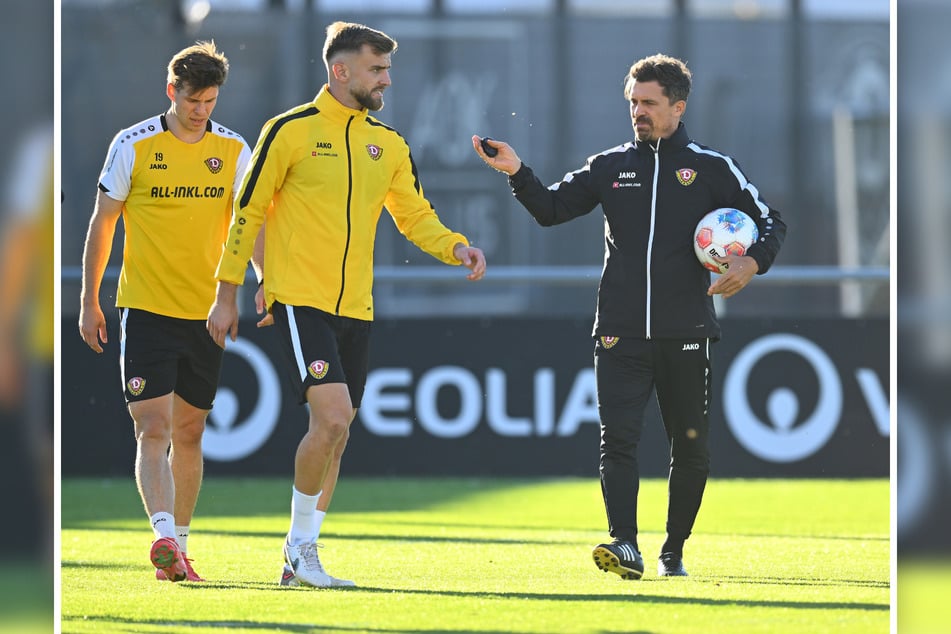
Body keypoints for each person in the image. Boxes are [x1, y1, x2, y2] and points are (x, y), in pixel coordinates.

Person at [473, 53, 785, 579]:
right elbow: (551, 209)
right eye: (633, 102)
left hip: (686, 332)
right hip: (619, 333)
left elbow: (770, 221)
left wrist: (752, 261)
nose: (638, 111)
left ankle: (673, 552)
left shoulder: (712, 167)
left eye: (649, 103)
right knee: (616, 441)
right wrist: (517, 173)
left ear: (678, 107)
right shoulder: (609, 166)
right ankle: (625, 545)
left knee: (691, 448)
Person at [207, 21, 486, 589]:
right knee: (332, 417)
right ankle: (298, 547)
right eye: (376, 69)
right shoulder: (288, 130)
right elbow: (247, 211)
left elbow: (414, 216)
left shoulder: (389, 143)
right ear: (340, 70)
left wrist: (455, 246)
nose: (387, 79)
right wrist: (227, 293)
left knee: (338, 432)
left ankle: (300, 557)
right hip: (298, 298)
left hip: (356, 306)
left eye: (387, 69)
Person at [79, 41, 252, 583]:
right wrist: (89, 300)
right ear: (171, 90)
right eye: (193, 100)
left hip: (206, 313)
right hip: (146, 308)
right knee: (152, 428)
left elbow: (250, 224)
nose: (201, 111)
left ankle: (180, 546)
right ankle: (162, 537)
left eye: (210, 101)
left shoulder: (233, 148)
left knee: (191, 432)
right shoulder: (132, 143)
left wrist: (253, 286)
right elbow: (103, 222)